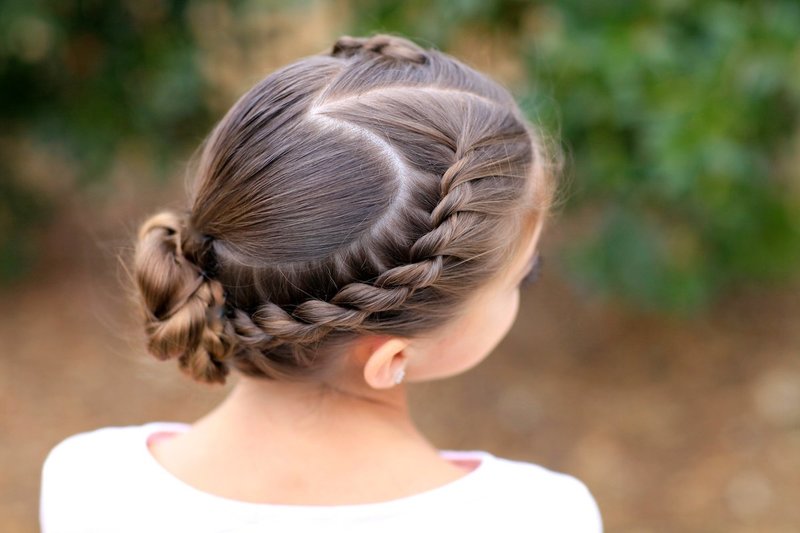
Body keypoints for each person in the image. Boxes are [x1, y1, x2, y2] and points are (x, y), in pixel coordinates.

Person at [39, 34, 602, 532]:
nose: (526, 280)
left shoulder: (90, 482)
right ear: (390, 358)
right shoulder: (538, 515)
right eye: (523, 274)